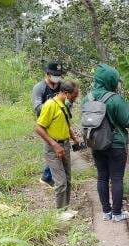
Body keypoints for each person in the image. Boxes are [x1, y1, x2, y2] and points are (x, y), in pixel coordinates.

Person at [86, 64, 129, 222]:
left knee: (102, 177)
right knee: (116, 178)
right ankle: (117, 213)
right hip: (115, 144)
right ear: (110, 81)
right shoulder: (115, 98)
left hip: (96, 142)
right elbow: (127, 121)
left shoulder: (87, 98)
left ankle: (106, 212)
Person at [35, 80, 82, 209]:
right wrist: (54, 145)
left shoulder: (63, 105)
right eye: (74, 96)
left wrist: (75, 138)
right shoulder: (50, 105)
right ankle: (61, 212)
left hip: (65, 145)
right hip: (53, 148)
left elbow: (66, 124)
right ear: (66, 93)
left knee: (67, 179)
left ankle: (66, 208)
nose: (75, 99)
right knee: (61, 182)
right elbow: (39, 128)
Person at [32, 62, 64, 187]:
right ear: (47, 74)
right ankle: (47, 177)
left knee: (59, 149)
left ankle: (48, 176)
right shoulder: (39, 88)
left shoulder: (61, 85)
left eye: (59, 75)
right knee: (53, 149)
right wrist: (53, 105)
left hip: (60, 123)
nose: (57, 78)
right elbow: (37, 108)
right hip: (46, 124)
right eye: (54, 75)